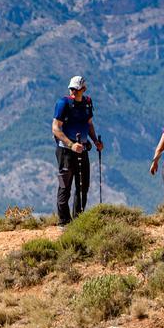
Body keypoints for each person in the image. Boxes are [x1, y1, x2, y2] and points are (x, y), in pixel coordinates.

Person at [52, 75, 103, 225]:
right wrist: (70, 144)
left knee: (82, 186)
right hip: (65, 151)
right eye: (72, 89)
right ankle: (63, 222)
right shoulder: (63, 104)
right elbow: (55, 128)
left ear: (83, 89)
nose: (73, 92)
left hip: (82, 149)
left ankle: (77, 222)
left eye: (76, 89)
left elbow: (89, 124)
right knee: (65, 186)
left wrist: (95, 141)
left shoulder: (87, 103)